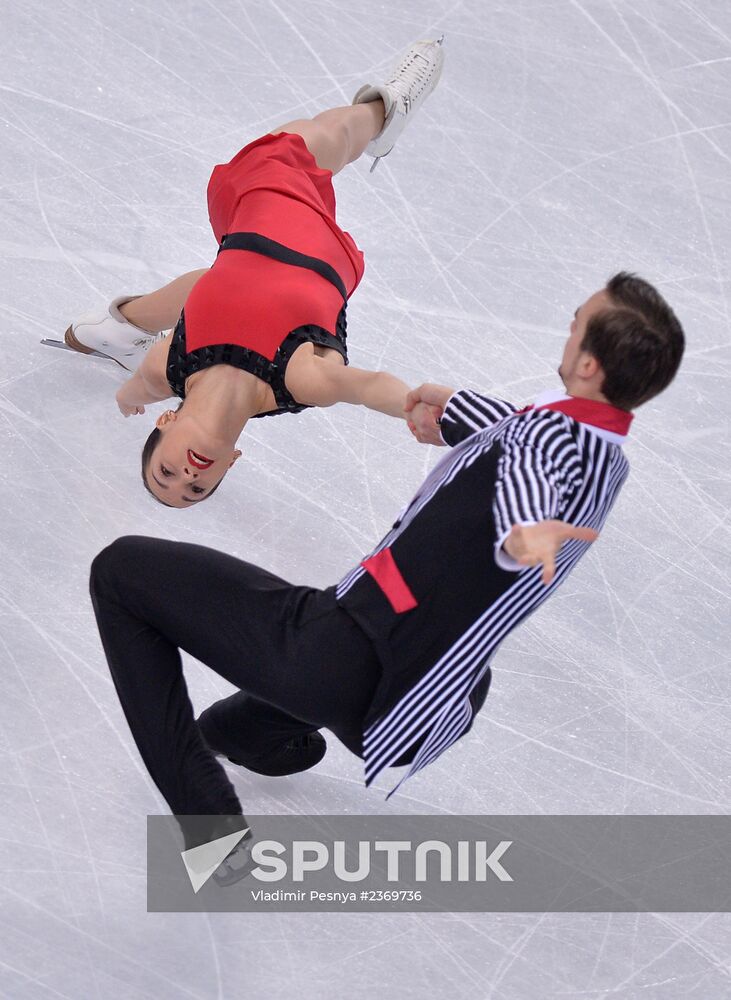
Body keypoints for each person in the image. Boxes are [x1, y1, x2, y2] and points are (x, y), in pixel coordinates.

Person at [89, 271, 685, 864]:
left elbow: (530, 486)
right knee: (255, 700)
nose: (570, 323)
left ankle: (212, 834)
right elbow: (534, 439)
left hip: (346, 654)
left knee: (120, 573)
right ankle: (244, 736)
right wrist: (454, 411)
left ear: (589, 365)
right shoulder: (607, 458)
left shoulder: (539, 455)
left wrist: (526, 534)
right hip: (422, 698)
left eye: (578, 322)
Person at [60, 39, 446, 508]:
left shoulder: (165, 369)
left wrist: (126, 399)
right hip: (320, 254)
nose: (187, 475)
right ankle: (125, 322)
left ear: (164, 422)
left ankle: (381, 111)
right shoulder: (299, 381)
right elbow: (368, 387)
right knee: (214, 288)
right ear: (231, 463)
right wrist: (417, 408)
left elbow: (137, 388)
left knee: (335, 134)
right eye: (196, 489)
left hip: (259, 198)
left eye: (166, 472)